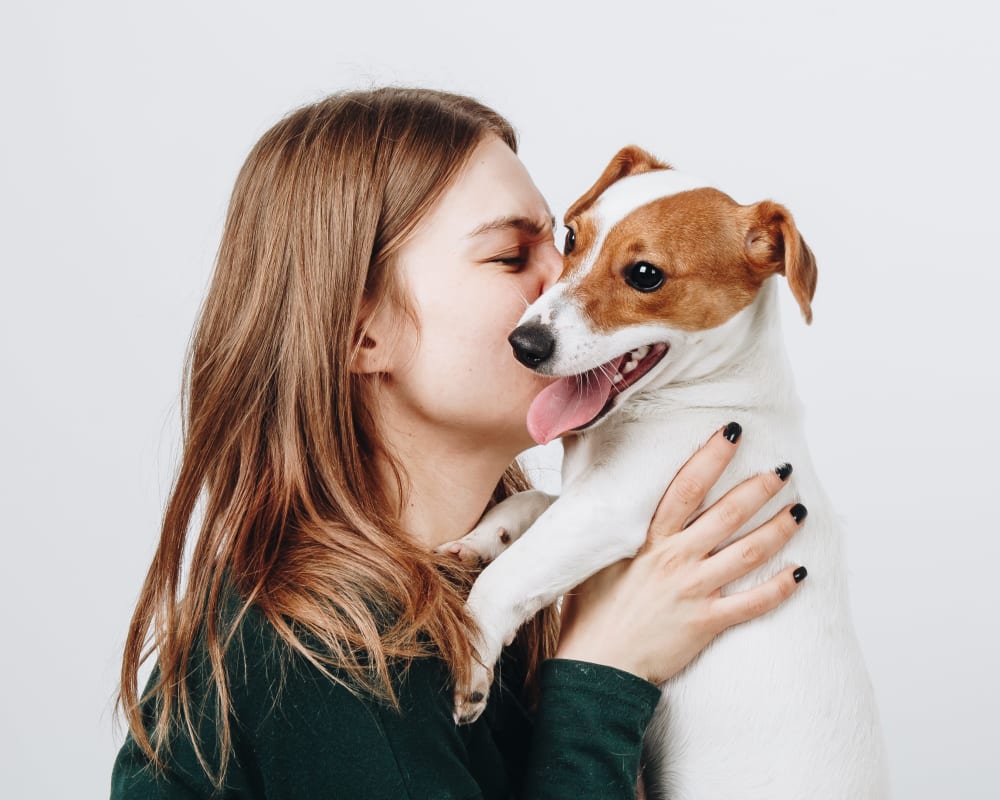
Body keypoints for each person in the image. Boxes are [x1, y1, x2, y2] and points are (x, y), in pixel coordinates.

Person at [111, 87, 807, 799]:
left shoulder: (467, 601)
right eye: (511, 256)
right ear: (364, 334)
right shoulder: (323, 652)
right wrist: (604, 678)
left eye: (561, 241)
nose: (562, 286)